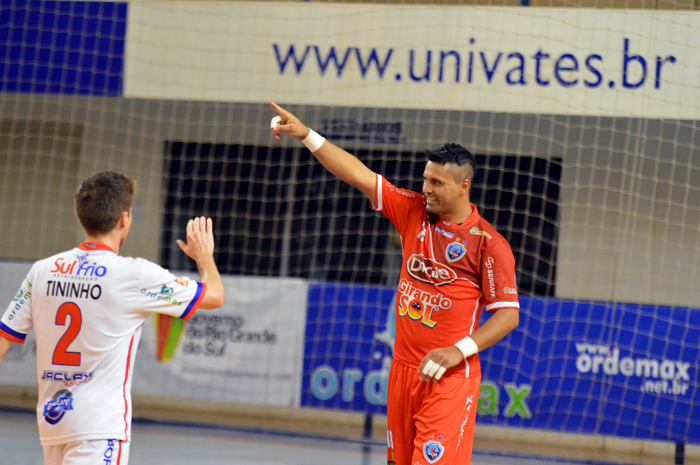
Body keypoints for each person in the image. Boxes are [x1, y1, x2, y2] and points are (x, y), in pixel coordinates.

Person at [269, 101, 519, 465]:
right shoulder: (412, 210)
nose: (426, 188)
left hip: (449, 376)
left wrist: (459, 350)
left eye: (437, 182)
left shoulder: (489, 244)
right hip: (403, 371)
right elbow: (358, 174)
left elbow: (507, 315)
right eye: (425, 178)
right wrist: (307, 135)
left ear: (464, 187)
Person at [0, 172, 225, 465]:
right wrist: (204, 257)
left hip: (53, 424)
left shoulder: (41, 271)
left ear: (82, 217)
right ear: (124, 219)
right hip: (98, 428)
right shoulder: (135, 275)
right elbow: (215, 296)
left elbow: (3, 340)